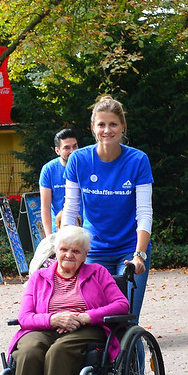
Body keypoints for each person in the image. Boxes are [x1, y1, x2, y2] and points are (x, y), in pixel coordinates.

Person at [4, 226, 130, 375]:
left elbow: (122, 305)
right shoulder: (39, 278)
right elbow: (24, 317)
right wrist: (53, 320)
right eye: (64, 249)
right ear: (55, 251)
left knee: (59, 350)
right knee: (29, 349)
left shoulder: (98, 272)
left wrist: (85, 317)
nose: (69, 255)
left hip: (86, 328)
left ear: (85, 254)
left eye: (76, 251)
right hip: (46, 326)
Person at [62, 95, 152, 319]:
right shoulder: (78, 160)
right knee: (94, 320)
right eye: (101, 124)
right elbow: (71, 210)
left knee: (127, 320)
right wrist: (63, 248)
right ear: (93, 127)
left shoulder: (138, 160)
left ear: (123, 126)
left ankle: (133, 355)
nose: (107, 130)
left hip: (129, 250)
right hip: (93, 251)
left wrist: (139, 255)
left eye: (113, 124)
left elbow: (144, 212)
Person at [39, 129, 79, 236]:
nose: (72, 151)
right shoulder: (48, 170)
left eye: (75, 146)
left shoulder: (86, 166)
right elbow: (45, 206)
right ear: (57, 151)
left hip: (83, 229)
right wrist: (49, 237)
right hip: (59, 230)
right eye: (67, 148)